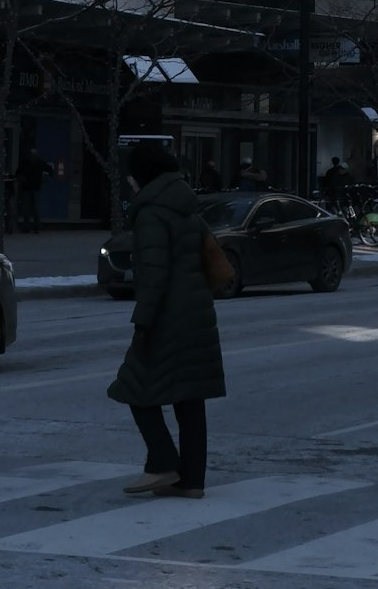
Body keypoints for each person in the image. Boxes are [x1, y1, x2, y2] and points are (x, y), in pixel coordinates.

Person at [108, 140, 225, 498]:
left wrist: (142, 322)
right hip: (198, 312)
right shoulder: (187, 206)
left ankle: (162, 463)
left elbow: (154, 275)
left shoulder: (151, 214)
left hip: (168, 315)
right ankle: (191, 481)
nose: (128, 180)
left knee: (132, 385)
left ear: (142, 174)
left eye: (130, 173)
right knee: (190, 398)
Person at [14, 147, 53, 233]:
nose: (33, 157)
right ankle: (30, 227)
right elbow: (18, 173)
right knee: (28, 209)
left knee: (32, 209)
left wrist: (46, 177)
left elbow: (50, 170)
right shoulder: (28, 163)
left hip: (33, 188)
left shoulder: (37, 163)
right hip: (29, 188)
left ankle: (33, 227)